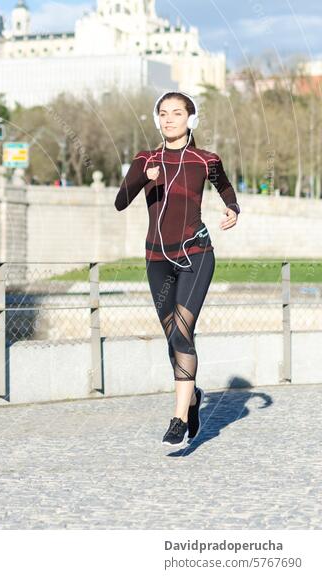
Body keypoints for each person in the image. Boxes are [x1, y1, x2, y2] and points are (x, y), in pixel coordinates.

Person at [115, 91, 241, 448]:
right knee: (173, 338)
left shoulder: (205, 159)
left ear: (191, 119)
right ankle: (195, 397)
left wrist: (233, 208)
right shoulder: (145, 159)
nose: (170, 119)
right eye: (164, 114)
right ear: (157, 120)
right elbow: (121, 201)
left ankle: (178, 417)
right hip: (157, 260)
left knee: (183, 333)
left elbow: (225, 186)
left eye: (177, 113)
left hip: (197, 254)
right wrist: (144, 177)